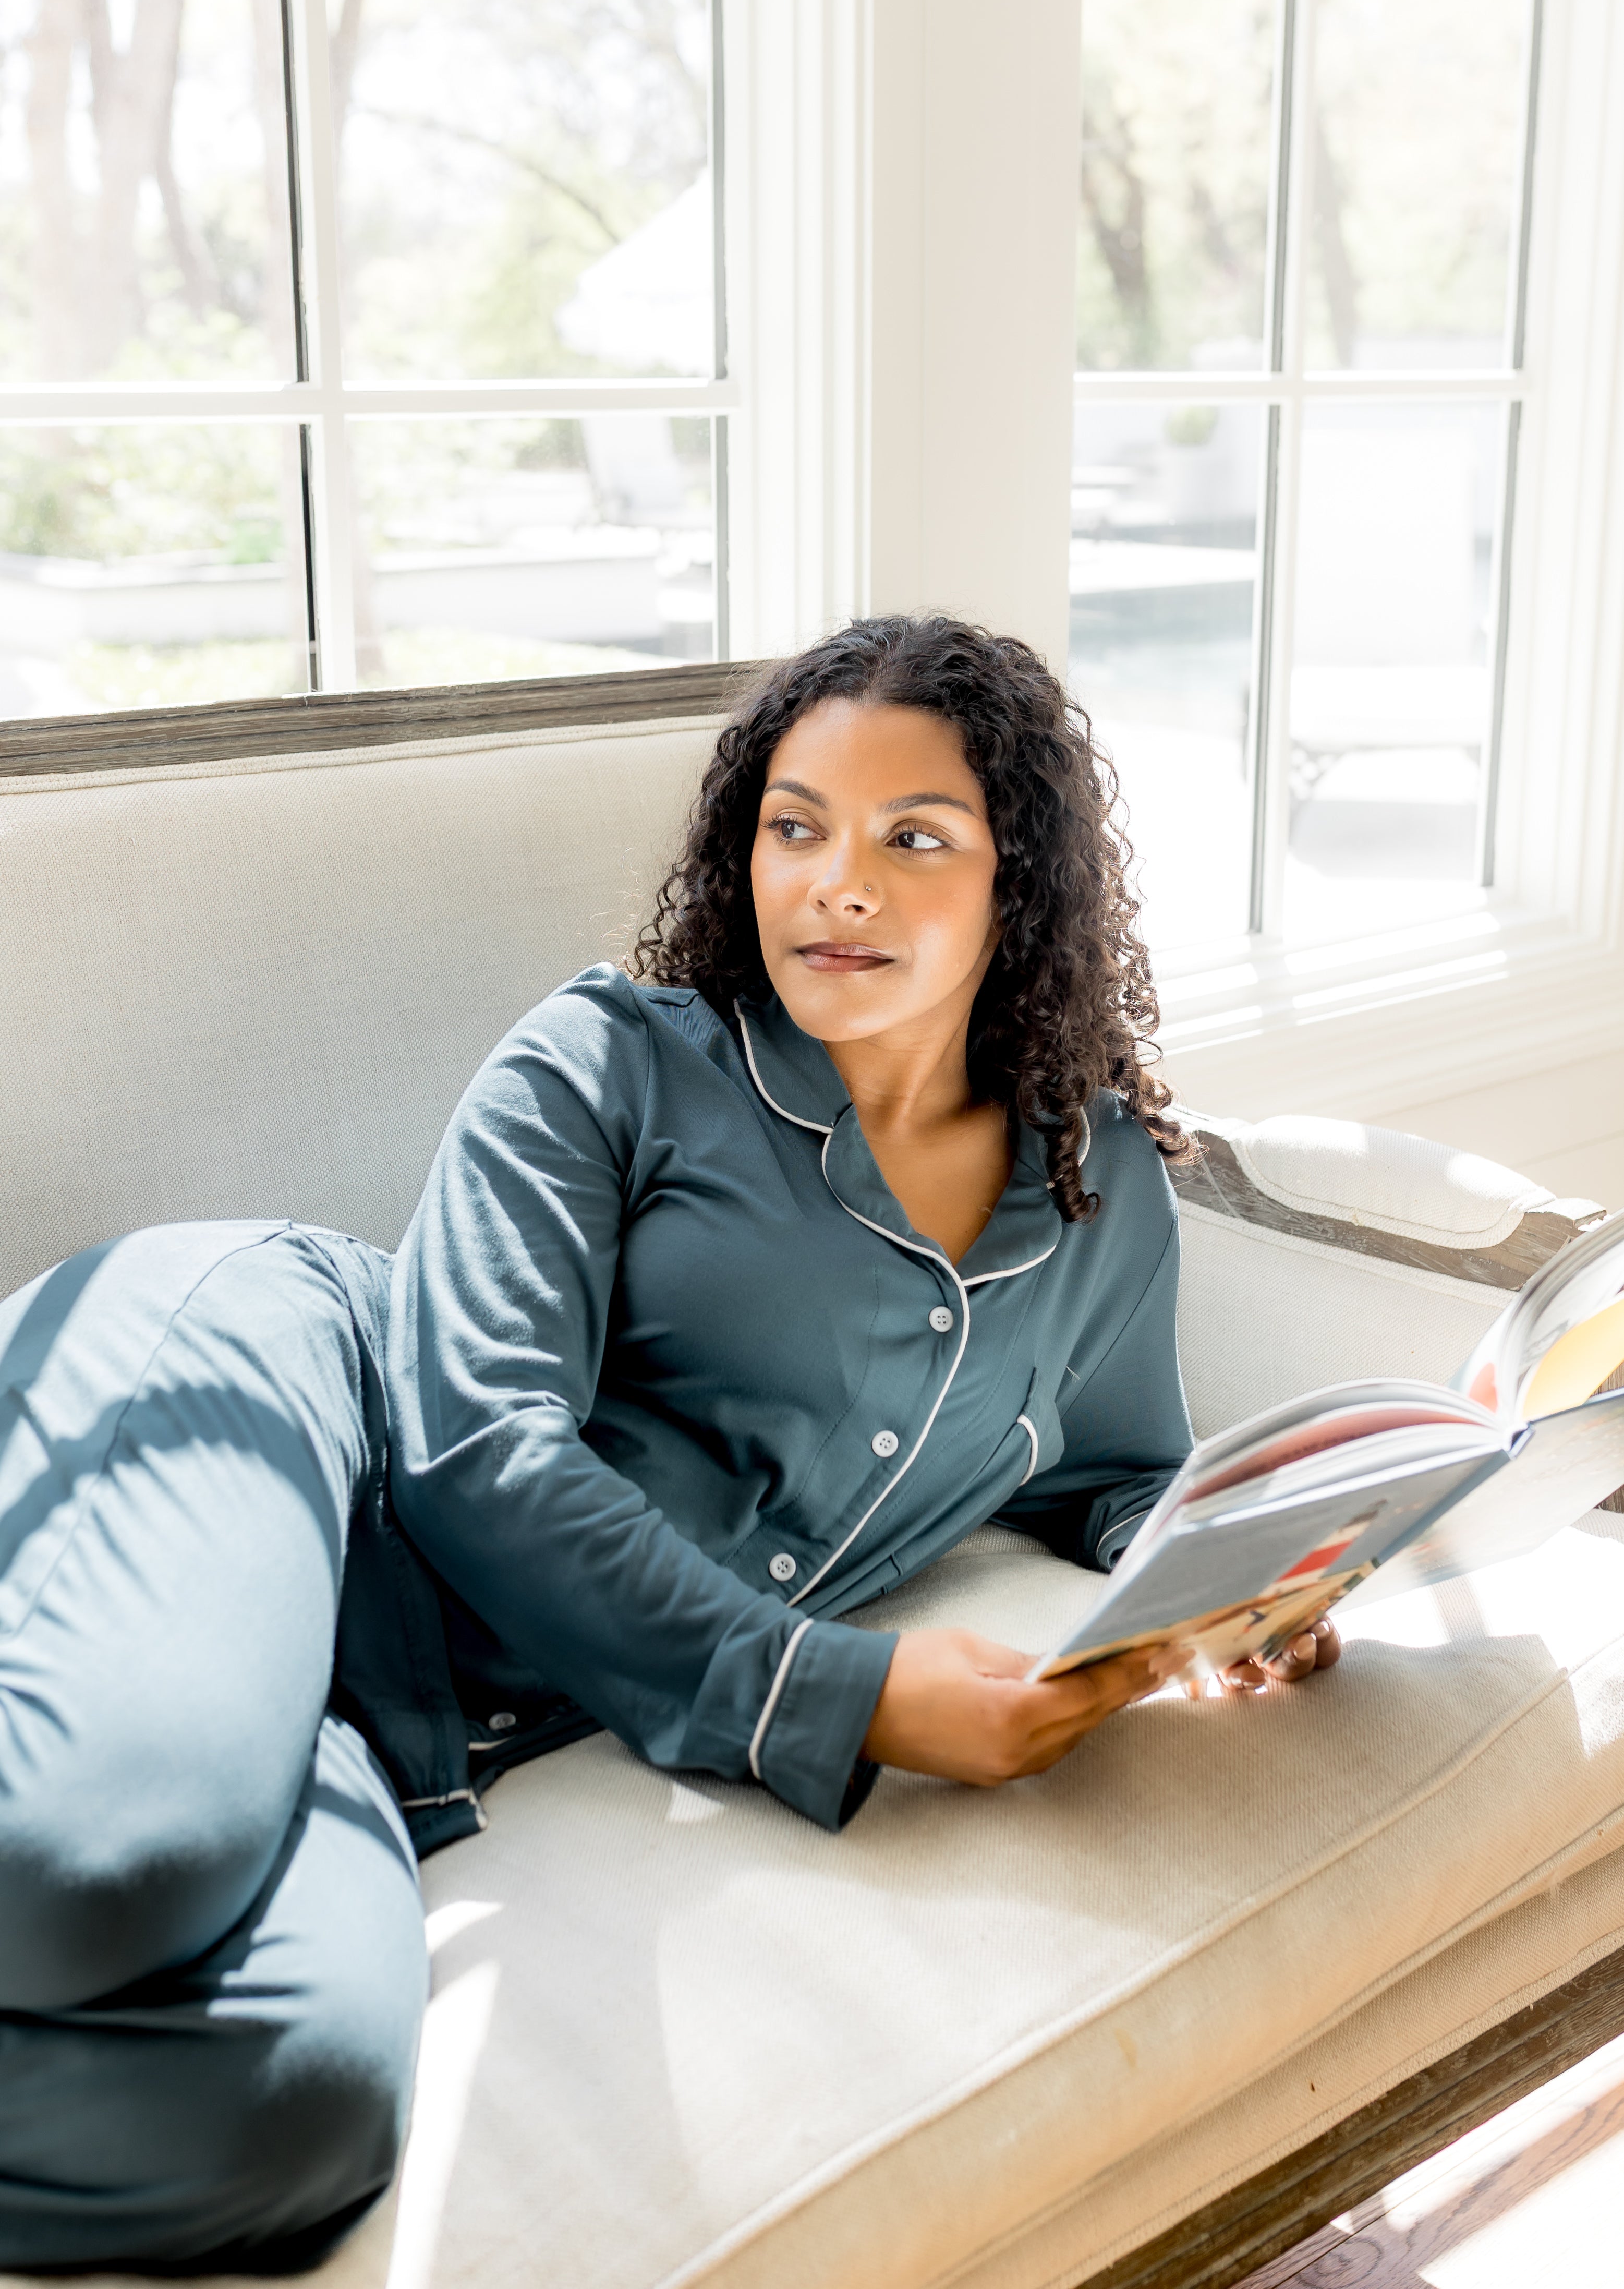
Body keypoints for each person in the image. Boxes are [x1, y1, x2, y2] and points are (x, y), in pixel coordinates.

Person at [0, 615, 1337, 2273]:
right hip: (278, 1412)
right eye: (798, 826)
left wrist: (1235, 1571)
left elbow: (1114, 1470)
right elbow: (477, 1447)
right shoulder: (607, 1066)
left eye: (912, 838)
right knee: (93, 1870)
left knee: (283, 2122)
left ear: (1025, 887)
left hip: (404, 1726)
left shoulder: (1099, 1187)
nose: (835, 883)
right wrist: (836, 1694)